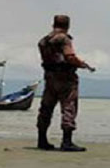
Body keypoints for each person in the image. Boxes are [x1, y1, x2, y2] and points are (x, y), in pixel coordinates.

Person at [36, 15, 95, 152]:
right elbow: (69, 57)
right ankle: (66, 142)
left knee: (46, 108)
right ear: (68, 25)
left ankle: (42, 140)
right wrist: (83, 65)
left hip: (50, 78)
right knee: (69, 107)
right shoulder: (64, 38)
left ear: (53, 24)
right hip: (65, 78)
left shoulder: (44, 41)